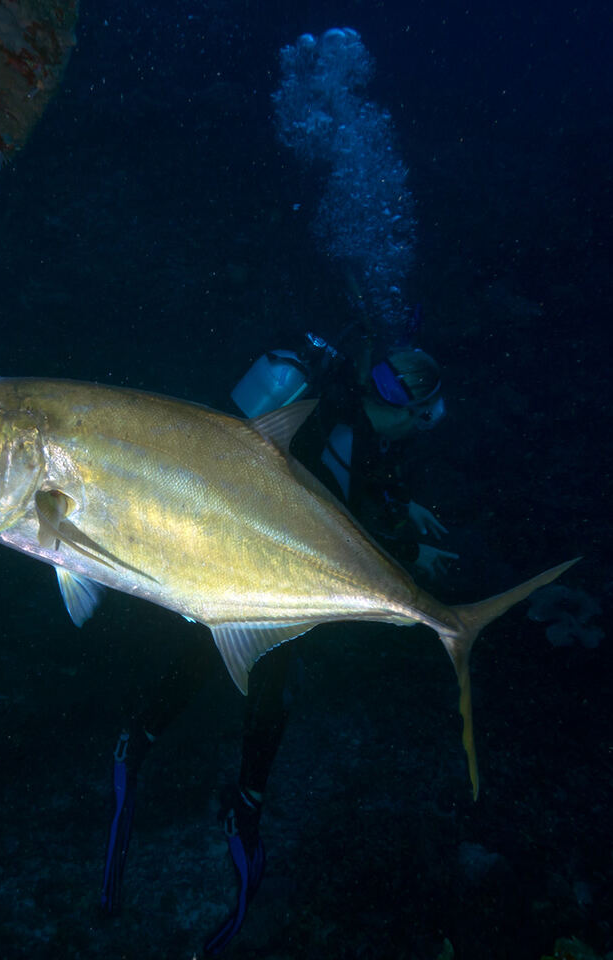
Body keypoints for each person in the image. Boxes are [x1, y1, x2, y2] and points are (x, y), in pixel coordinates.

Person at [98, 327, 455, 955]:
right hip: (268, 555)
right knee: (273, 680)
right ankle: (246, 808)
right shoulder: (344, 432)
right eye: (420, 419)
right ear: (411, 412)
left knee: (209, 634)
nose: (411, 433)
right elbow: (334, 515)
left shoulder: (335, 406)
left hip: (218, 548)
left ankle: (137, 737)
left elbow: (345, 491)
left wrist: (405, 510)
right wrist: (408, 547)